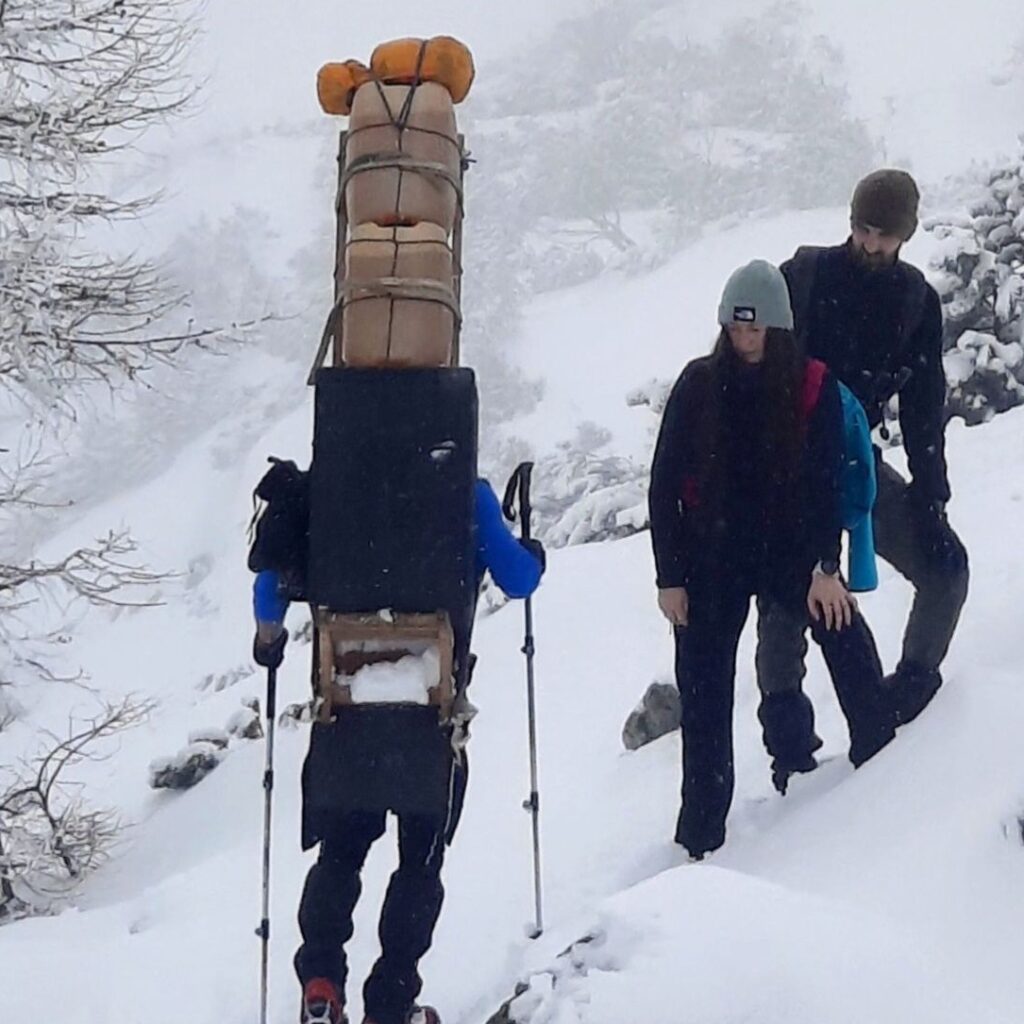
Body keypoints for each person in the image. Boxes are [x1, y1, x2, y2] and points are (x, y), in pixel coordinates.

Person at [252, 479, 544, 1024]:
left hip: (346, 706)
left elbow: (269, 589)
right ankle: (391, 1003)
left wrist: (267, 639)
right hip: (428, 714)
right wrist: (532, 553)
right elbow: (519, 580)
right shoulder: (464, 489)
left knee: (339, 855)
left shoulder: (323, 485)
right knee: (419, 866)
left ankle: (320, 985)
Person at [648, 260, 893, 859]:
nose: (745, 340)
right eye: (735, 328)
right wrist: (669, 578)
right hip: (711, 560)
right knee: (704, 695)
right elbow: (662, 484)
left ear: (778, 328)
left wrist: (825, 570)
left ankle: (889, 768)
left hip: (790, 554)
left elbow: (828, 485)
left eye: (755, 329)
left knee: (846, 635)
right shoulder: (698, 384)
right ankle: (701, 837)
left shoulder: (813, 387)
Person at [756, 169, 969, 730]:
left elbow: (924, 402)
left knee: (946, 567)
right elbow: (748, 371)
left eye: (884, 234)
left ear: (907, 234)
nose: (870, 243)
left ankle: (910, 694)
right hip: (788, 469)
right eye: (862, 229)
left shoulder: (916, 301)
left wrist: (931, 491)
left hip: (858, 466)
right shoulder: (801, 279)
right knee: (785, 604)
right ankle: (789, 740)